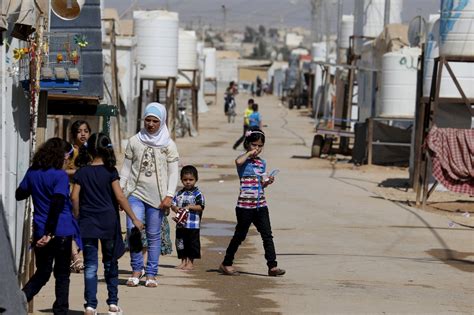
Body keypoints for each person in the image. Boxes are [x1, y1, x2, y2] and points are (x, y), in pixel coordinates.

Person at [71, 133, 144, 315]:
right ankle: (112, 304)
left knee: (90, 265)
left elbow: (74, 197)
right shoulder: (111, 172)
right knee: (111, 263)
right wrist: (134, 218)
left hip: (88, 223)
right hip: (108, 223)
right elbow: (119, 196)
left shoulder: (81, 172)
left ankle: (90, 306)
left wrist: (78, 215)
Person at [15, 138, 81, 315]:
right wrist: (50, 233)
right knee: (62, 275)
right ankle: (60, 310)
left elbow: (19, 194)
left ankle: (19, 300)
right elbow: (58, 203)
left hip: (40, 229)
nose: (67, 161)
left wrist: (35, 185)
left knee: (43, 273)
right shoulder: (59, 176)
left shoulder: (33, 172)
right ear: (61, 156)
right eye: (67, 156)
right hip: (60, 231)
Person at [120, 102, 180, 288]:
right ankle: (136, 269)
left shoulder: (168, 145)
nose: (151, 124)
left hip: (158, 198)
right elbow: (126, 170)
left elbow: (173, 172)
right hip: (134, 194)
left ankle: (151, 273)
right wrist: (120, 193)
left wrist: (169, 195)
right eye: (148, 120)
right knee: (133, 230)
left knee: (154, 235)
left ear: (161, 122)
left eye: (155, 121)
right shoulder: (134, 141)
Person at [219, 129, 285, 277]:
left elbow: (262, 182)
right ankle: (226, 263)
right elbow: (238, 161)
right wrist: (249, 153)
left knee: (267, 235)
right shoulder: (243, 161)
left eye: (260, 146)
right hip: (244, 207)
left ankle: (272, 266)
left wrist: (268, 182)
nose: (257, 149)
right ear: (247, 144)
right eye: (254, 145)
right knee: (240, 236)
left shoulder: (262, 163)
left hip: (260, 205)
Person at [66, 120, 91, 273]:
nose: (83, 134)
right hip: (69, 192)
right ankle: (75, 257)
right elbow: (61, 170)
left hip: (86, 194)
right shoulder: (69, 151)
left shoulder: (91, 151)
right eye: (79, 131)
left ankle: (74, 258)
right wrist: (78, 172)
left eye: (86, 131)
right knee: (69, 224)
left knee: (80, 226)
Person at [171, 165, 205, 271]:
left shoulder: (198, 194)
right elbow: (173, 204)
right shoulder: (179, 193)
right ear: (181, 180)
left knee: (192, 244)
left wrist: (190, 207)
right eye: (185, 180)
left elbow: (201, 207)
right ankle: (183, 261)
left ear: (196, 180)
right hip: (181, 225)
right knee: (180, 243)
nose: (188, 182)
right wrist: (175, 208)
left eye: (191, 179)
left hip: (193, 225)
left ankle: (190, 262)